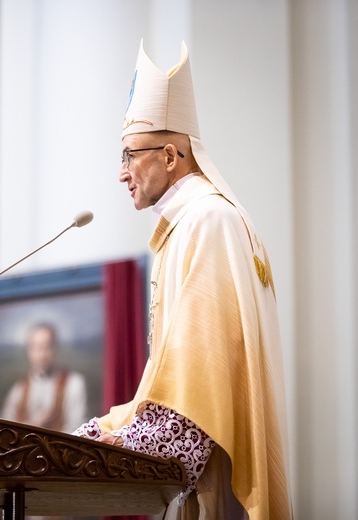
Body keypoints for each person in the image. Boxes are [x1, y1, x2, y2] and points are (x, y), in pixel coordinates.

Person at [72, 41, 292, 519]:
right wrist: (94, 433)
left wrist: (131, 443)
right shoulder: (191, 223)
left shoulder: (207, 221)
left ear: (171, 155)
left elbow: (203, 372)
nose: (122, 174)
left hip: (219, 477)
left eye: (129, 155)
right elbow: (175, 377)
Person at [1, 322, 88, 433]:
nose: (41, 354)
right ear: (29, 350)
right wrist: (34, 423)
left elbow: (78, 429)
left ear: (54, 348)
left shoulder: (74, 383)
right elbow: (5, 430)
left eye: (46, 347)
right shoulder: (19, 389)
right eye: (36, 347)